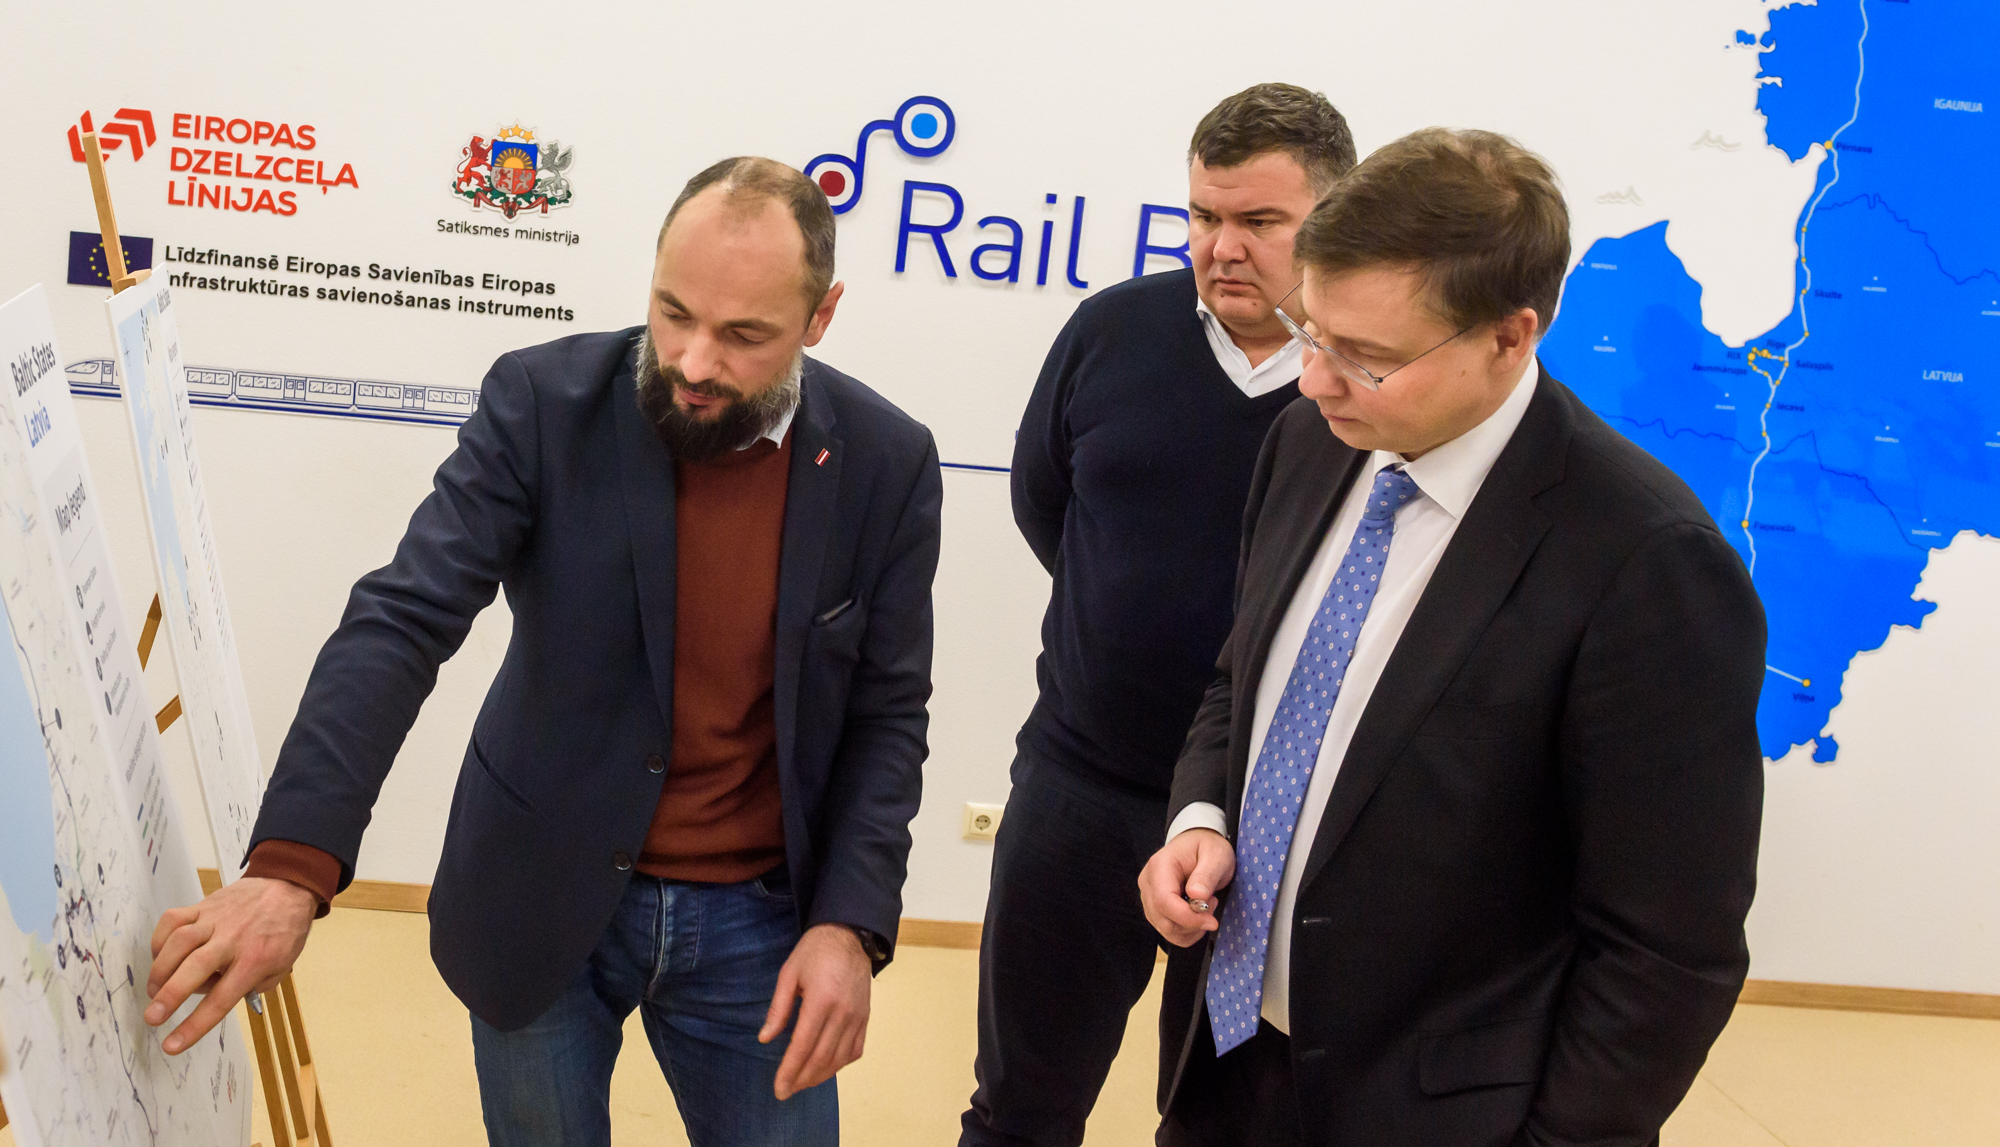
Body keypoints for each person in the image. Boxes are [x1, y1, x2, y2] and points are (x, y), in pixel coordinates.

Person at [144, 157, 943, 1147]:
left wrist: (851, 924)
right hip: (540, 888)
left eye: (744, 336)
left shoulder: (885, 461)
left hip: (760, 921)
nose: (693, 362)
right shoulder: (542, 403)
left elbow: (887, 714)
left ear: (819, 317)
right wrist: (290, 865)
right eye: (672, 312)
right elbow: (403, 618)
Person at [1138, 128, 1766, 1146]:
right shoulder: (1309, 444)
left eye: (1367, 358)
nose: (1314, 380)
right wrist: (1200, 815)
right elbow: (1241, 683)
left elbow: (1666, 950)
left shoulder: (1644, 560)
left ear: (1510, 337)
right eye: (1310, 331)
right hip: (1222, 1061)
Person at [962, 85, 1357, 1147]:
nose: (1222, 248)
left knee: (1227, 1125)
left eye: (1259, 221)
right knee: (1018, 1109)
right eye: (1203, 216)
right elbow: (1044, 503)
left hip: (1266, 823)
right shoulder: (1111, 330)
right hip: (1079, 789)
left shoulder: (1365, 385)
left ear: (1333, 216)